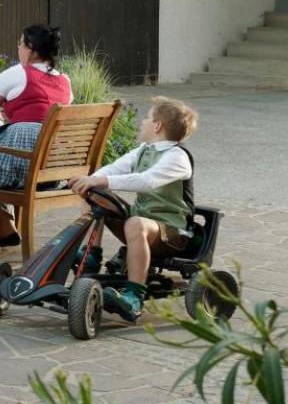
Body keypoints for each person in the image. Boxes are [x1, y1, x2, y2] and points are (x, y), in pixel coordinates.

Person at [70, 97, 198, 321]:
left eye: (147, 117)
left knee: (134, 221)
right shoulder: (143, 151)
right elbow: (114, 169)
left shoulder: (178, 157)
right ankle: (92, 257)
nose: (143, 121)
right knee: (96, 196)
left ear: (157, 126)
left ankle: (134, 297)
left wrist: (101, 181)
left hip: (173, 232)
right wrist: (89, 180)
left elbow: (146, 181)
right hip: (141, 224)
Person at [0, 23, 72, 253]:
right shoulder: (65, 81)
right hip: (51, 167)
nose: (18, 49)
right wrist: (2, 133)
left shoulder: (18, 73)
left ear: (31, 49)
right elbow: (40, 120)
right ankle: (5, 224)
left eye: (20, 44)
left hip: (23, 163)